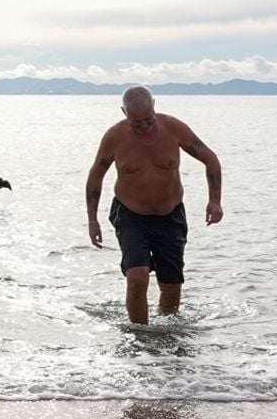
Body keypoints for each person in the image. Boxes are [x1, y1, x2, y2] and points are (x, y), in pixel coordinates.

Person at [86, 86, 223, 324]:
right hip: (129, 214)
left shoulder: (174, 128)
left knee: (170, 284)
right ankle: (139, 336)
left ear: (155, 106)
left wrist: (215, 201)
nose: (145, 127)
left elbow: (210, 159)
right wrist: (92, 220)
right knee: (137, 276)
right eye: (136, 123)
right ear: (124, 113)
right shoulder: (115, 137)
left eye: (148, 120)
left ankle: (167, 337)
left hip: (170, 215)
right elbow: (95, 177)